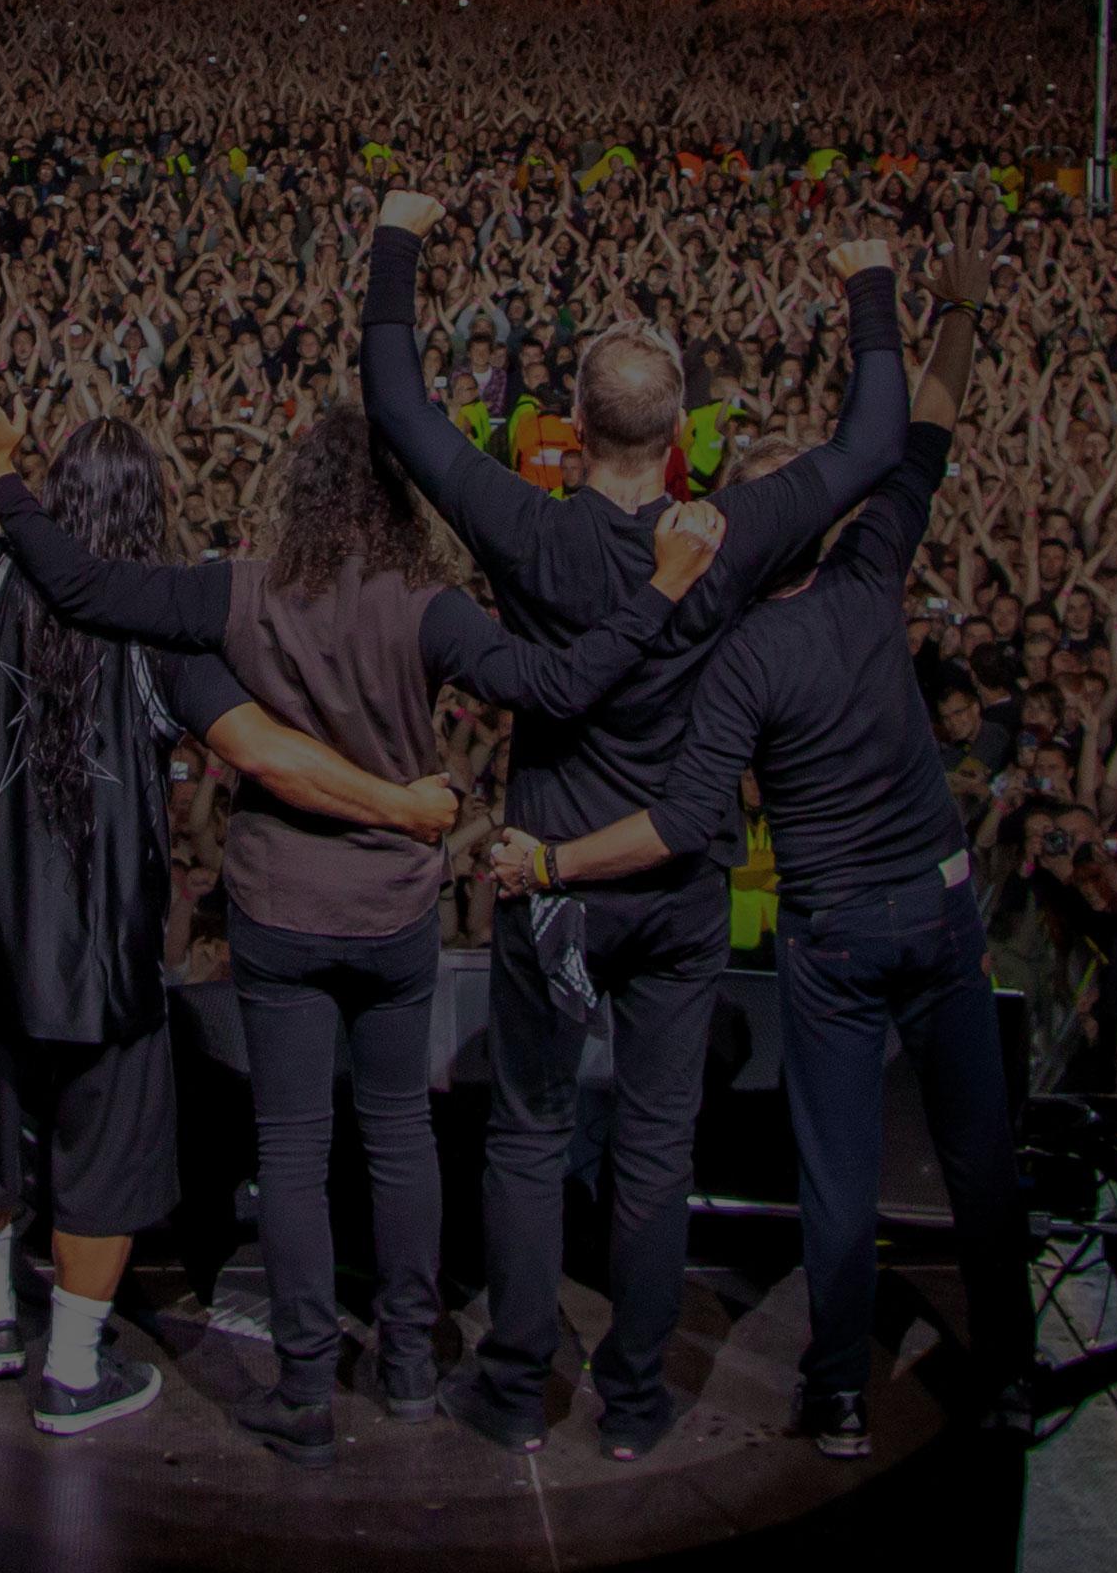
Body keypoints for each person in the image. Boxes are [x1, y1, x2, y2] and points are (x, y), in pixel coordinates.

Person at [0, 399, 724, 1464]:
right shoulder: (432, 606)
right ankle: (409, 1366)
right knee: (399, 1131)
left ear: (299, 491)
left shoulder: (240, 588)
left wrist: (6, 484)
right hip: (395, 907)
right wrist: (663, 590)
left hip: (280, 905)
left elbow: (81, 585)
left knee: (294, 1152)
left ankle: (306, 1389)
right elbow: (564, 682)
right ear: (402, 498)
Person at [0, 303, 457, 1439]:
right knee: (101, 1154)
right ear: (150, 514)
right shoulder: (162, 627)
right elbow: (262, 755)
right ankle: (72, 1370)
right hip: (107, 952)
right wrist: (397, 801)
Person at [362, 191, 911, 1461]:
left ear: (572, 428)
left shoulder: (528, 528)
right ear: (677, 442)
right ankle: (638, 1403)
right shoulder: (728, 531)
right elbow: (876, 436)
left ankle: (512, 1388)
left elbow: (398, 405)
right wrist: (868, 280)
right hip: (679, 877)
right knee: (658, 1146)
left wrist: (399, 237)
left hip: (552, 874)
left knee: (532, 1129)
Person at [487, 248, 1032, 1456]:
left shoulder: (733, 657)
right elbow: (915, 435)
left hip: (835, 927)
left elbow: (683, 822)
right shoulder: (873, 570)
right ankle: (1015, 1375)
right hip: (943, 910)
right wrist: (950, 311)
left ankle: (836, 1397)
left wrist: (554, 865)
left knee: (837, 1182)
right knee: (980, 1160)